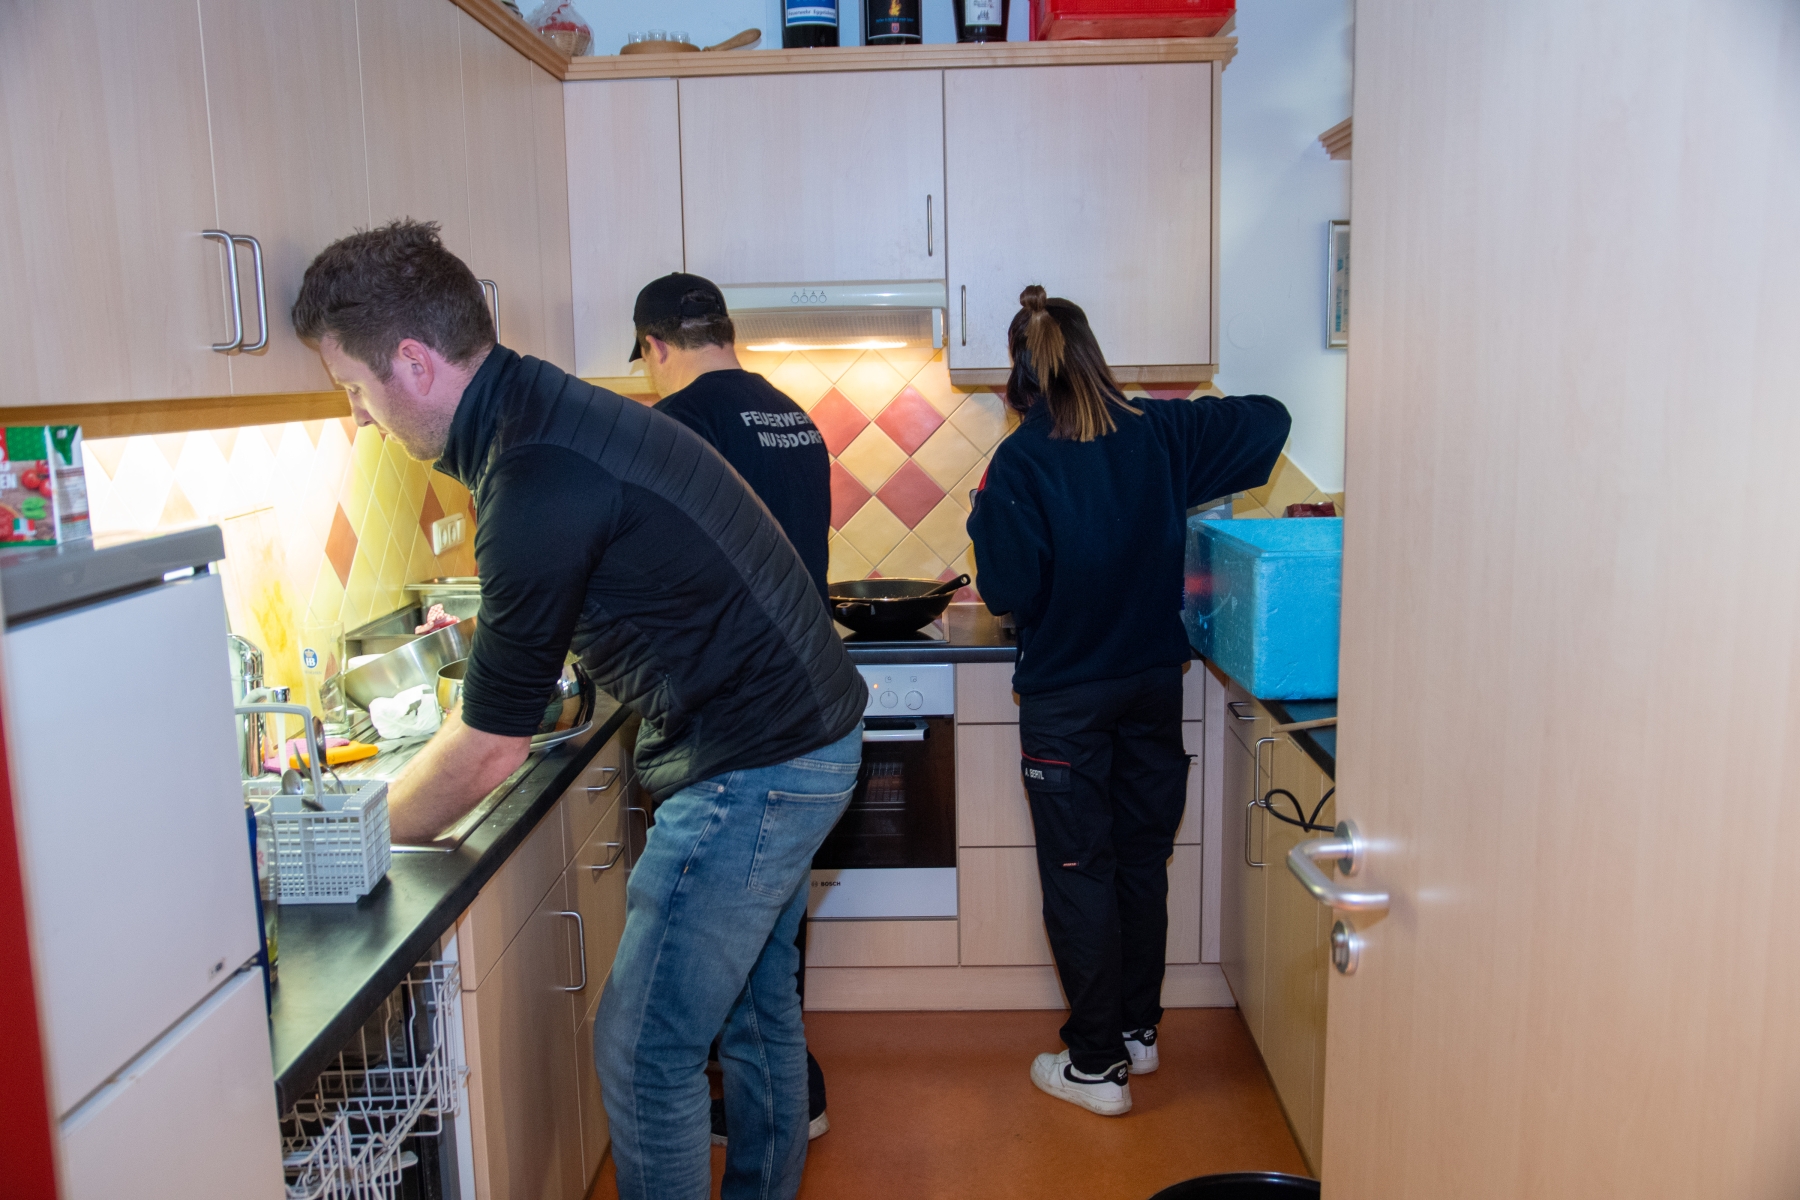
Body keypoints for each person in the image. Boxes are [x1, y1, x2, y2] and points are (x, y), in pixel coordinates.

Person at [290, 220, 866, 1199]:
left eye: (353, 387)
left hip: (758, 765)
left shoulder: (532, 471)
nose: (359, 416)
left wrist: (354, 840)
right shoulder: (544, 411)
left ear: (415, 363)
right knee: (755, 1005)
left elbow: (489, 748)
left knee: (643, 1052)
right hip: (806, 733)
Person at [966, 285, 1291, 1118]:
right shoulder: (1159, 432)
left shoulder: (1020, 462)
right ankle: (1138, 1033)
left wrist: (985, 524)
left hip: (1067, 704)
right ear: (1093, 357)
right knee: (1141, 863)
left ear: (1020, 376)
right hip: (1152, 690)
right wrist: (1163, 430)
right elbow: (1271, 419)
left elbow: (1007, 592)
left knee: (1081, 872)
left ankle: (1096, 1065)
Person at [629, 272, 834, 1145]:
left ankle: (774, 1111)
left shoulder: (675, 426)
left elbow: (663, 575)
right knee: (770, 952)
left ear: (654, 346)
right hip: (804, 702)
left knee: (729, 965)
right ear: (725, 331)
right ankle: (793, 1105)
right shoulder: (793, 416)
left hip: (737, 721)